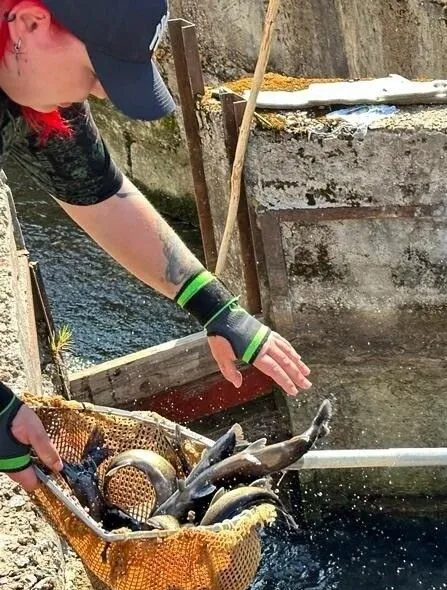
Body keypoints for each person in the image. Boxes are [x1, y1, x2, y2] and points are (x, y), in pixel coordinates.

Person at [0, 0, 311, 493]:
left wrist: (217, 310)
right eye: (97, 70)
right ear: (31, 23)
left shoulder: (32, 85)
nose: (102, 93)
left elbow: (102, 197)